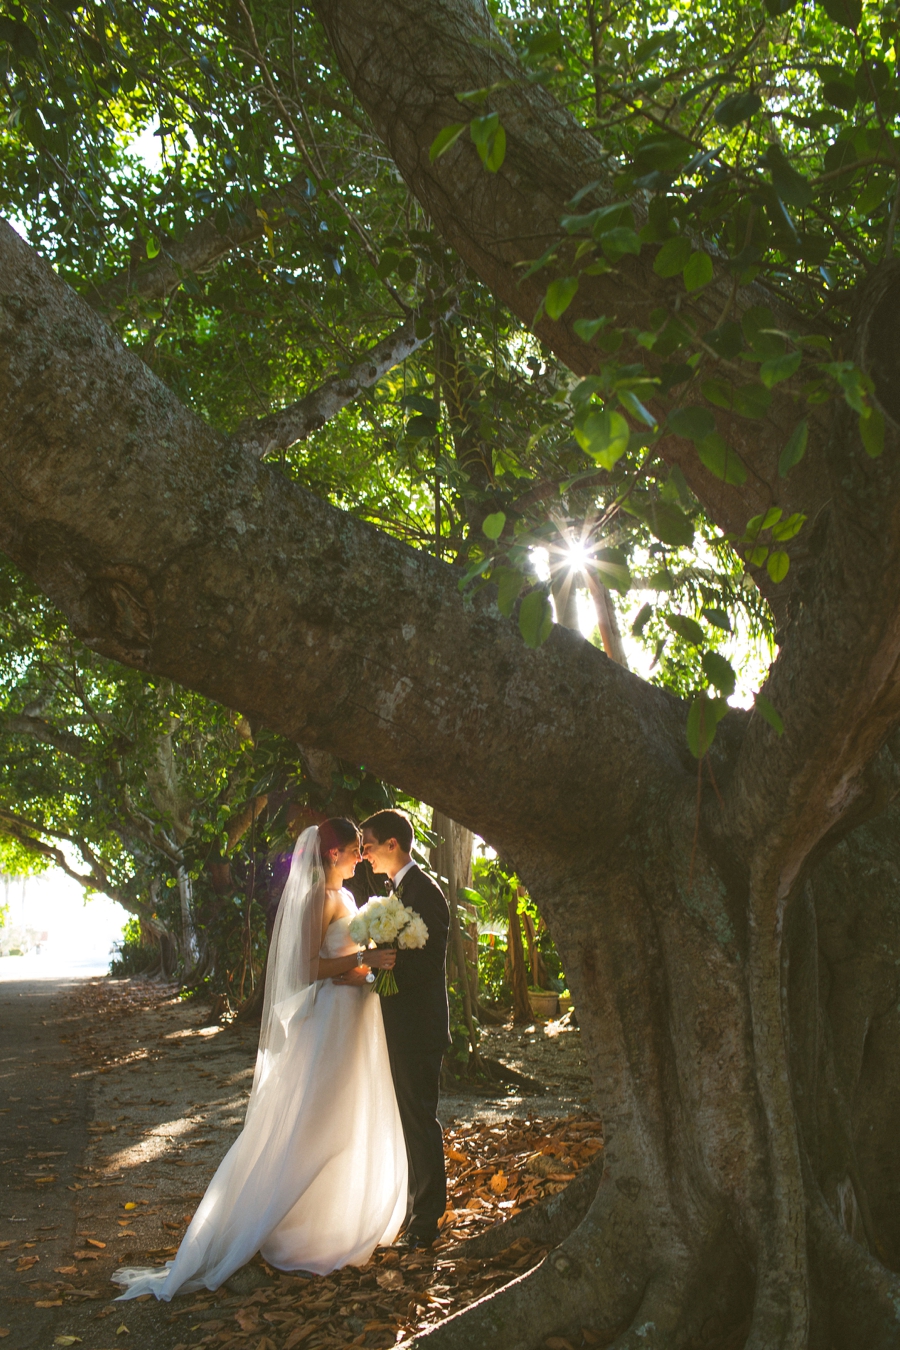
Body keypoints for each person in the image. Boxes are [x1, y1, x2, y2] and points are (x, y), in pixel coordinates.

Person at [111, 819, 406, 1300]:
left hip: (355, 1017)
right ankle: (287, 1226)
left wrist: (363, 970)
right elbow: (307, 967)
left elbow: (343, 961)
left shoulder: (350, 899)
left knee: (348, 1118)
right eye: (354, 850)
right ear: (332, 854)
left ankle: (334, 1219)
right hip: (329, 1024)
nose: (360, 857)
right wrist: (363, 964)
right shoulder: (318, 898)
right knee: (316, 1120)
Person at [336, 809, 450, 1251]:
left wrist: (374, 976)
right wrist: (371, 972)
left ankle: (426, 1220)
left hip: (419, 1028)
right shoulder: (395, 891)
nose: (363, 853)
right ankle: (415, 1208)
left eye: (367, 844)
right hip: (400, 1027)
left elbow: (426, 964)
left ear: (392, 845)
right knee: (408, 1119)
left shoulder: (425, 892)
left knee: (420, 1120)